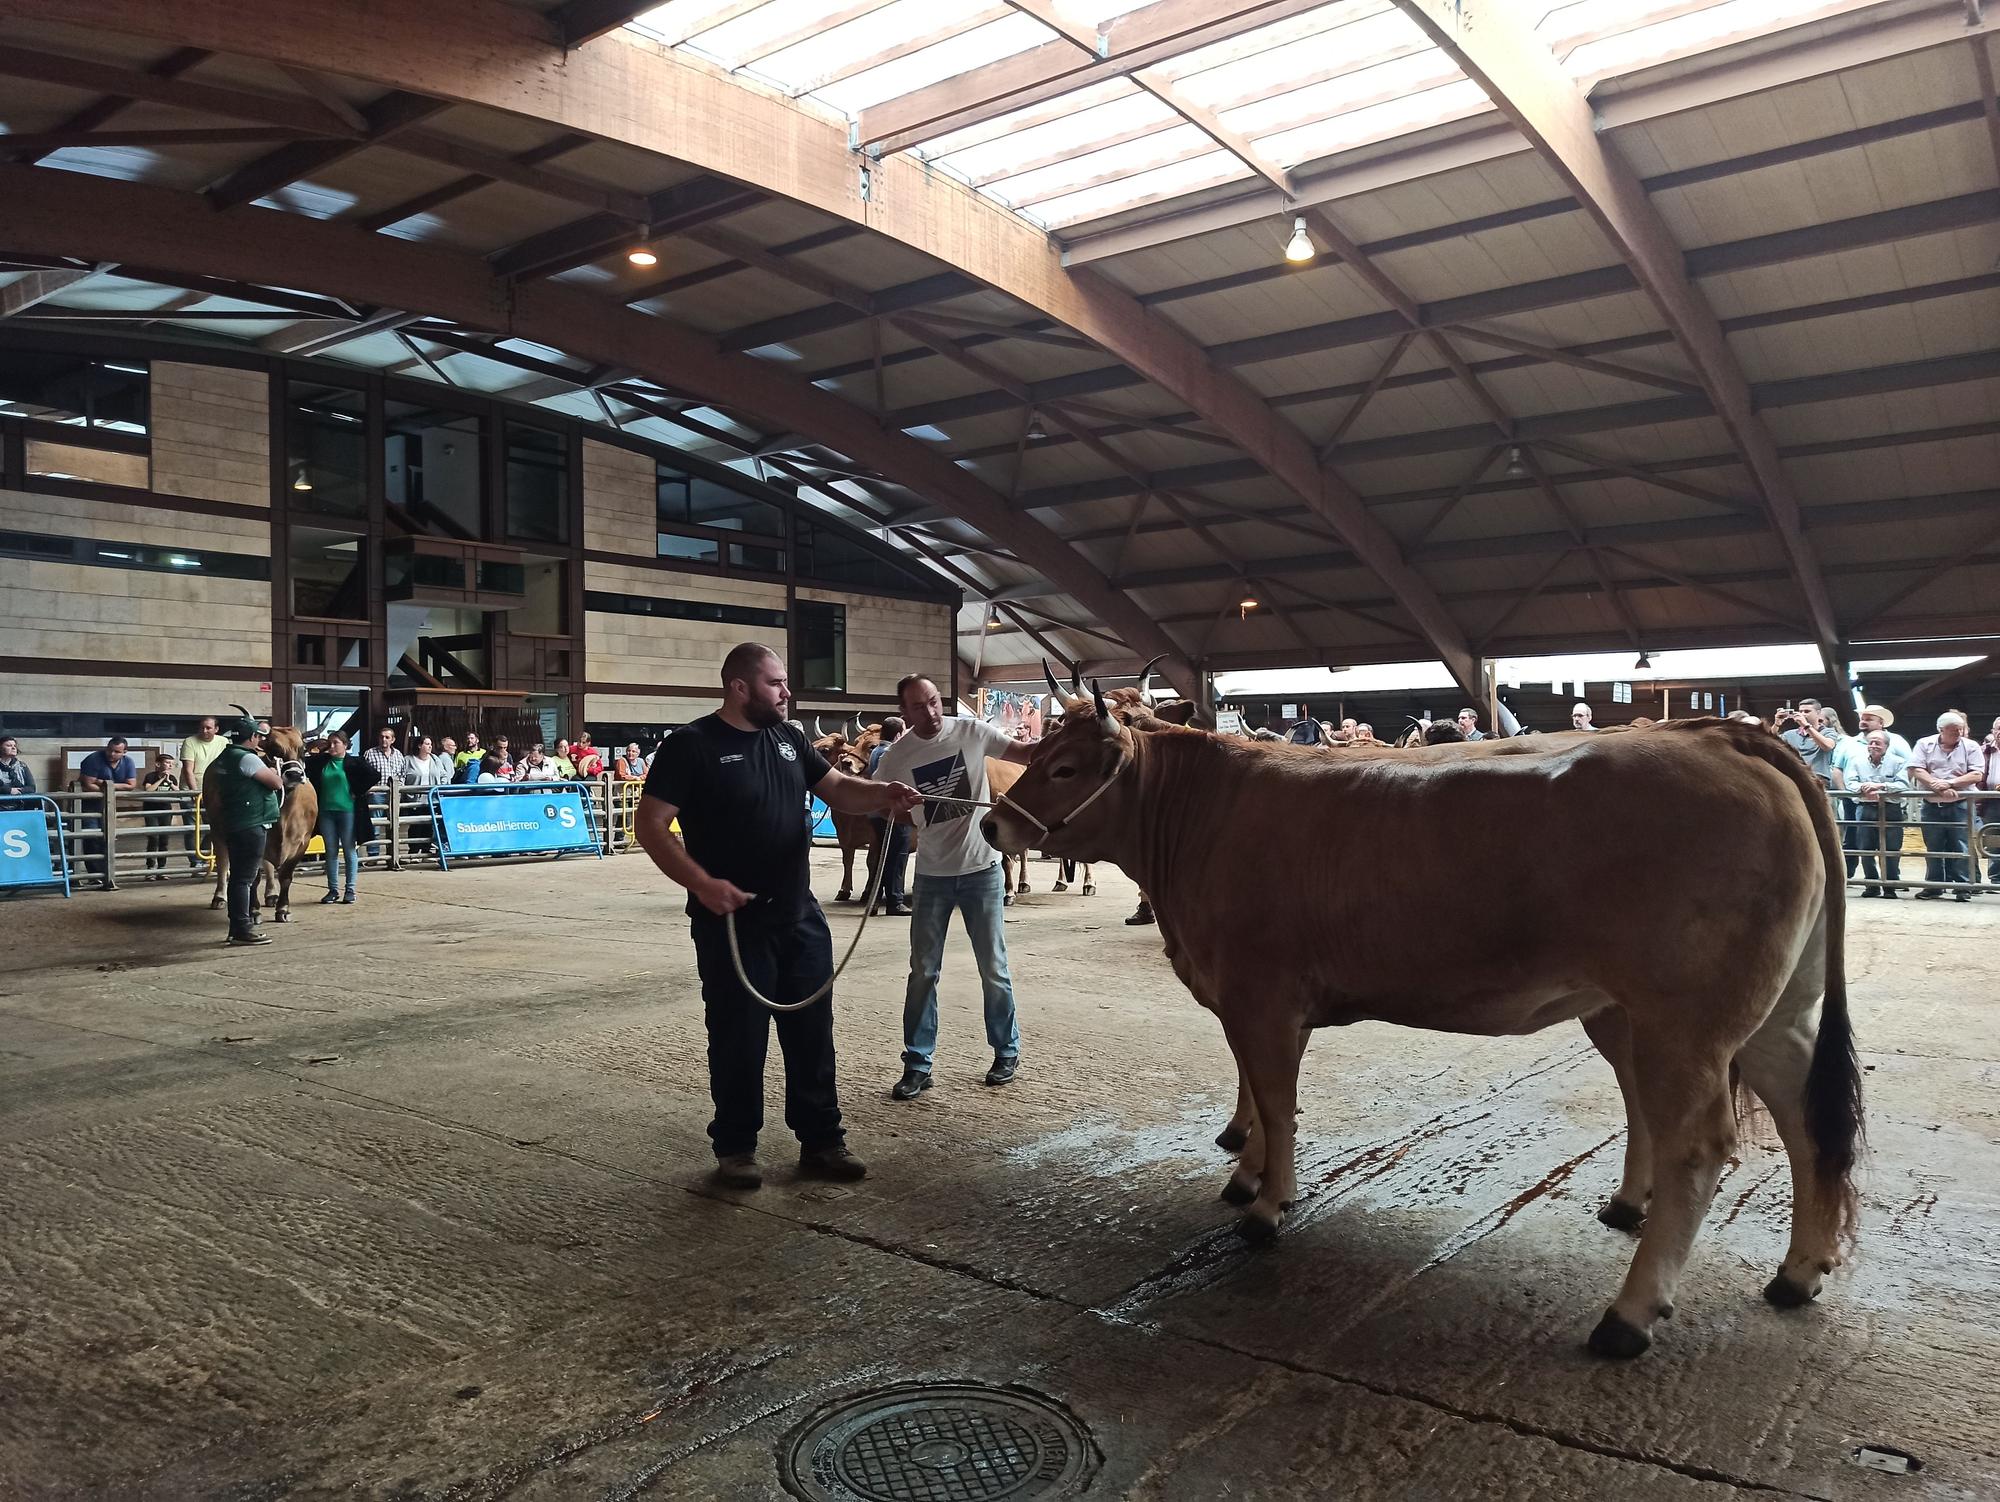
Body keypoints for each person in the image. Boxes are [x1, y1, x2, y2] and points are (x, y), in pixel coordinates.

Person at [636, 642, 919, 1190]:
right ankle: (736, 1147)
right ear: (739, 688)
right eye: (776, 684)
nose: (787, 693)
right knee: (738, 1036)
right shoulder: (691, 746)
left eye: (785, 683)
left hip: (799, 916)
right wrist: (701, 883)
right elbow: (650, 825)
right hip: (733, 923)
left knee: (813, 1032)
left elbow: (837, 788)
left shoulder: (789, 740)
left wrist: (883, 793)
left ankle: (821, 1141)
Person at [872, 673, 1033, 1100]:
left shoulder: (972, 731)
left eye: (932, 702)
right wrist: (905, 811)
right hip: (932, 876)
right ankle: (918, 1064)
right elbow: (885, 806)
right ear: (903, 712)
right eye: (917, 707)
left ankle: (1006, 1051)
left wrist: (1067, 740)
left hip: (983, 870)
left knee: (993, 968)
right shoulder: (898, 756)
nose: (929, 712)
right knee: (923, 972)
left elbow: (1024, 753)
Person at [213, 715, 288, 946]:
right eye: (258, 736)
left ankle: (237, 927)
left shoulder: (223, 757)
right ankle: (242, 929)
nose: (259, 741)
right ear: (252, 737)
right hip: (251, 823)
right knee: (244, 879)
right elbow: (276, 783)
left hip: (233, 821)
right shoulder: (248, 759)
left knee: (238, 877)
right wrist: (275, 771)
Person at [1909, 710, 1982, 900]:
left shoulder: (1971, 746)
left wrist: (1949, 784)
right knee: (1933, 846)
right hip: (1932, 804)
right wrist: (1936, 784)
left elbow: (1976, 774)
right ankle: (1934, 885)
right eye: (1953, 731)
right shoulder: (1924, 744)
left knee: (1961, 846)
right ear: (1941, 730)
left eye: (1960, 729)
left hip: (1960, 804)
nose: (1958, 733)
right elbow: (1916, 768)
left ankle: (1963, 886)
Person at [1833, 728, 1910, 897]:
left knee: (1891, 848)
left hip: (1891, 808)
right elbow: (1850, 783)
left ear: (1887, 746)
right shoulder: (1856, 761)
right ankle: (1871, 884)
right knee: (1865, 847)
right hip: (1865, 807)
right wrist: (1863, 788)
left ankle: (1890, 885)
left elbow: (1904, 785)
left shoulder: (1899, 762)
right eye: (1871, 742)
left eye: (1878, 743)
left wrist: (1881, 787)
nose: (1873, 745)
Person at [306, 731, 379, 906]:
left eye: (336, 743)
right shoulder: (321, 762)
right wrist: (319, 748)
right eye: (330, 743)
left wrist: (358, 790)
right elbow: (304, 761)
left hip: (348, 811)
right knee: (330, 851)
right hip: (326, 811)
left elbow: (374, 775)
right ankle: (332, 889)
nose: (332, 746)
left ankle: (350, 889)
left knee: (348, 849)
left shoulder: (355, 762)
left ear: (345, 745)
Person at [864, 716, 910, 917]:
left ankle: (873, 900)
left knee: (882, 856)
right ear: (899, 734)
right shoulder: (891, 752)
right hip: (892, 813)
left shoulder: (875, 751)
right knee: (897, 857)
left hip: (875, 812)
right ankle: (895, 901)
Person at [77, 735, 137, 878]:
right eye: (110, 750)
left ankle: (106, 873)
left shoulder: (128, 762)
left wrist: (105, 784)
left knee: (108, 837)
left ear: (124, 752)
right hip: (89, 804)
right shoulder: (94, 759)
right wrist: (110, 789)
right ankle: (94, 875)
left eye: (116, 751)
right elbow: (88, 783)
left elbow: (132, 785)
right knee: (92, 836)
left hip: (109, 804)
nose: (111, 754)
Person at [178, 714, 227, 873]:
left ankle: (207, 856)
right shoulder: (190, 742)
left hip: (214, 791)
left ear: (216, 729)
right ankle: (195, 862)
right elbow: (188, 769)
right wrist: (195, 792)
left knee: (214, 827)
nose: (204, 731)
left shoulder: (223, 742)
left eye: (208, 728)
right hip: (193, 790)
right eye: (202, 727)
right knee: (193, 828)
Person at [140, 751, 181, 880]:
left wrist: (169, 782)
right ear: (158, 764)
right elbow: (148, 790)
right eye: (167, 763)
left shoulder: (172, 778)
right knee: (153, 838)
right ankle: (150, 868)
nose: (170, 766)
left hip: (166, 811)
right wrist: (161, 779)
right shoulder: (150, 776)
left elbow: (178, 793)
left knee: (164, 839)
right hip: (151, 811)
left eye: (172, 764)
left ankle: (162, 868)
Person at [1776, 700, 1836, 786]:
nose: (1803, 714)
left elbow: (1827, 746)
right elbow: (1770, 743)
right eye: (1800, 711)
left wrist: (1806, 726)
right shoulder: (1789, 734)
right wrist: (1776, 725)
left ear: (1818, 713)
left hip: (1818, 779)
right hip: (1795, 778)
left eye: (1807, 711)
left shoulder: (1828, 732)